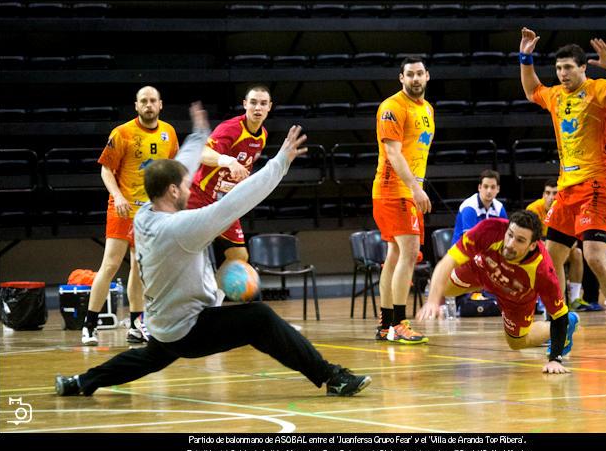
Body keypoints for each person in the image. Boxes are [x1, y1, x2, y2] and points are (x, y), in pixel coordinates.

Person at [55, 103, 371, 398]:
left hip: (164, 325)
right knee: (259, 318)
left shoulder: (145, 216)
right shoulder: (180, 229)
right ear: (173, 191)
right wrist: (280, 163)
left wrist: (198, 135)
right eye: (186, 184)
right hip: (187, 328)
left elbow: (181, 167)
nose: (191, 187)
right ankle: (332, 376)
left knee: (148, 358)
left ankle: (80, 382)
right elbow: (238, 200)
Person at [519, 28, 606, 349]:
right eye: (559, 69)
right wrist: (525, 57)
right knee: (551, 258)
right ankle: (558, 326)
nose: (562, 74)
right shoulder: (556, 96)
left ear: (583, 68)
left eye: (568, 68)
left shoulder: (600, 89)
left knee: (593, 256)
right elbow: (532, 89)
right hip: (567, 190)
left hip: (599, 185)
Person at [416, 211, 579, 374]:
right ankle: (477, 287)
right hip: (481, 270)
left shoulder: (543, 271)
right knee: (442, 288)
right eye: (510, 235)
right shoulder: (490, 229)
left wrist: (555, 359)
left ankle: (569, 323)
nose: (510, 243)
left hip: (514, 298)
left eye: (520, 240)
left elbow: (558, 314)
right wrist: (432, 300)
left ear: (532, 245)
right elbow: (448, 261)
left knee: (517, 343)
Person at [82, 86, 179, 346]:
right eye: (143, 101)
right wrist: (119, 196)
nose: (148, 105)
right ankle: (89, 324)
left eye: (153, 101)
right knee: (111, 264)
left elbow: (172, 169)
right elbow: (105, 170)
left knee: (139, 266)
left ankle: (137, 324)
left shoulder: (169, 132)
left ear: (161, 105)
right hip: (123, 207)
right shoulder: (122, 133)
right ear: (136, 106)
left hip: (150, 213)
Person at [373, 56, 434, 344]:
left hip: (406, 191)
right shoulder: (392, 107)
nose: (415, 79)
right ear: (401, 78)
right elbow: (394, 154)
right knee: (409, 253)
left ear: (427, 76)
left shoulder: (427, 109)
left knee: (395, 256)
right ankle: (399, 323)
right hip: (394, 190)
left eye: (419, 73)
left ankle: (386, 325)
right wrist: (415, 189)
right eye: (409, 74)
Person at [188, 84, 272, 268]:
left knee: (239, 257)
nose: (258, 108)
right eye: (253, 102)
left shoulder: (263, 136)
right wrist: (228, 161)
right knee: (190, 256)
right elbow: (202, 153)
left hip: (226, 202)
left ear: (269, 107)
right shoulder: (231, 128)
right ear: (245, 104)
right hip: (200, 197)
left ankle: (215, 297)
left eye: (263, 103)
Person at [527, 179, 590, 311]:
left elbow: (573, 239)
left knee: (577, 253)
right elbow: (529, 239)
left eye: (554, 193)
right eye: (547, 193)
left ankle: (574, 299)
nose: (550, 197)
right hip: (536, 251)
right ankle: (549, 302)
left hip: (559, 250)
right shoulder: (533, 209)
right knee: (550, 255)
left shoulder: (566, 208)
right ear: (543, 195)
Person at [451, 169, 507, 245]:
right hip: (462, 251)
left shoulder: (499, 208)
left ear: (498, 189)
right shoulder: (469, 208)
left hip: (486, 250)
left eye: (493, 187)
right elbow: (469, 241)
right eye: (485, 186)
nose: (489, 191)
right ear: (479, 187)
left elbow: (505, 236)